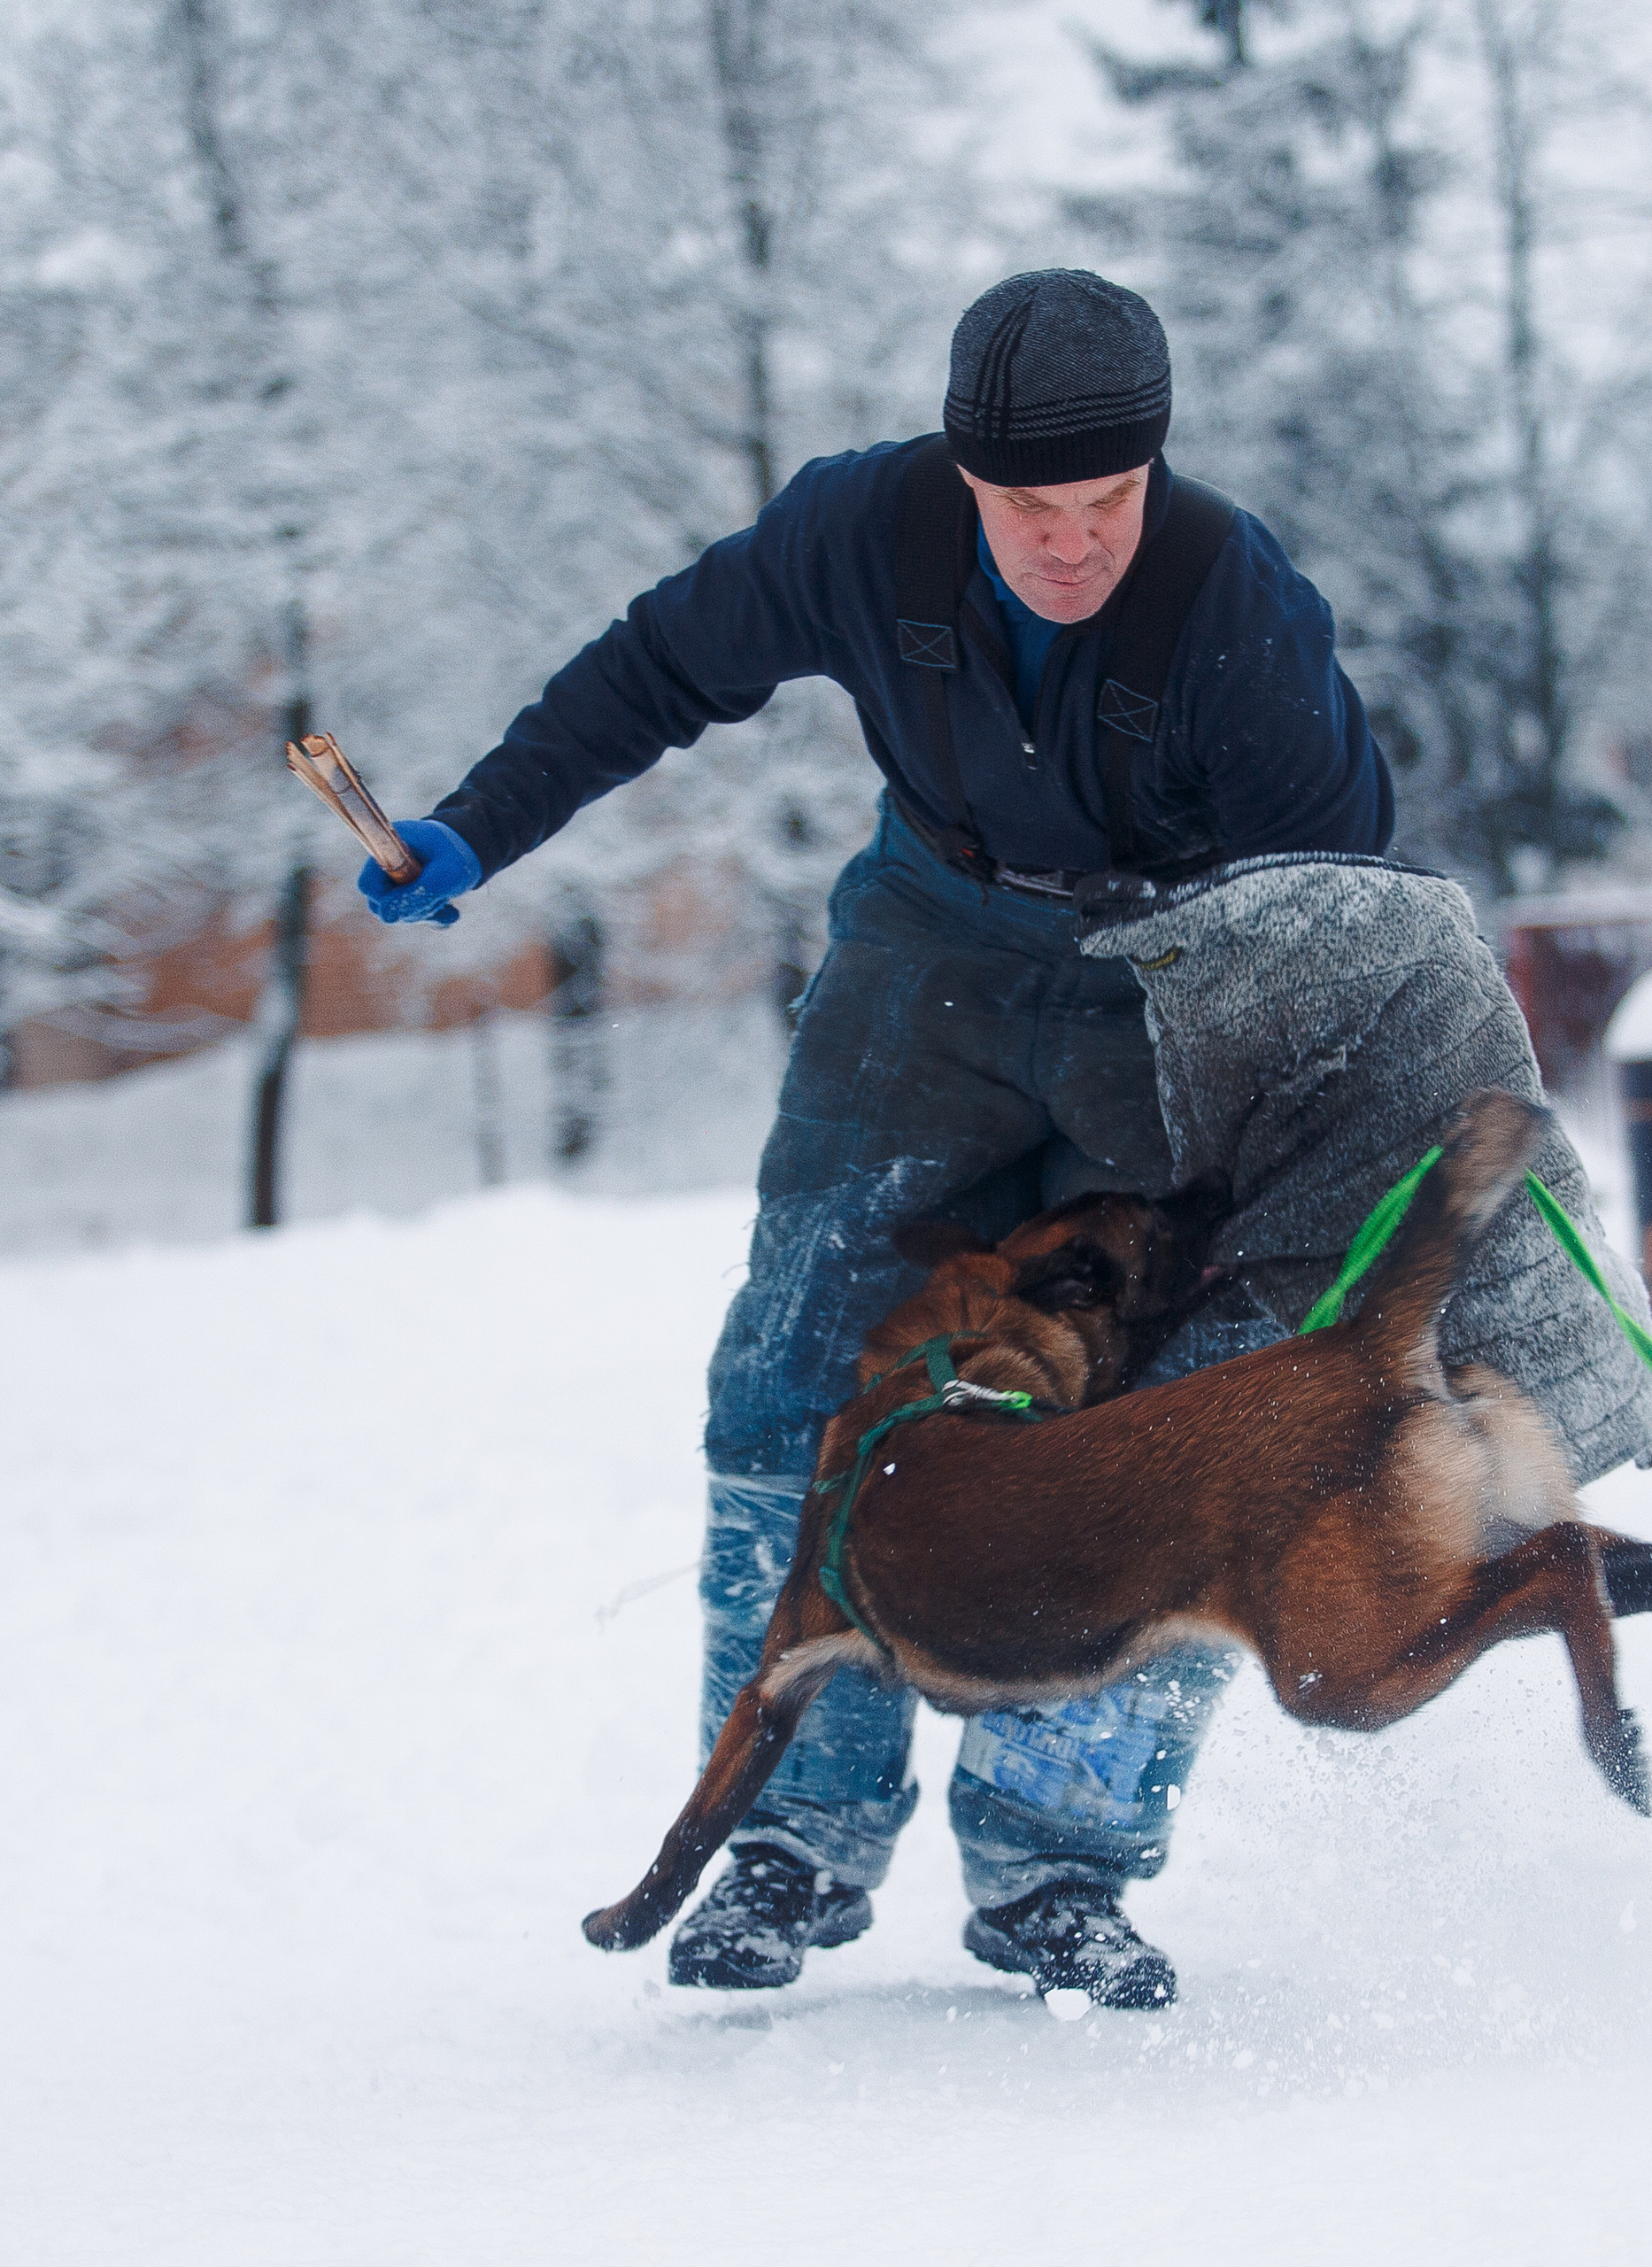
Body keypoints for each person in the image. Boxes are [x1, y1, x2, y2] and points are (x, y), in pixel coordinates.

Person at [361, 270, 1393, 2008]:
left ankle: (1058, 1860)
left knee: (1175, 1423)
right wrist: (479, 824)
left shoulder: (1237, 608)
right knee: (792, 1374)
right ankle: (791, 1831)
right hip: (933, 952)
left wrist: (1324, 1148)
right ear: (960, 471)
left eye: (1109, 501)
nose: (1072, 544)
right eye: (1028, 508)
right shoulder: (864, 530)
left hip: (1179, 983)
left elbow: (1342, 904)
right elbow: (657, 665)